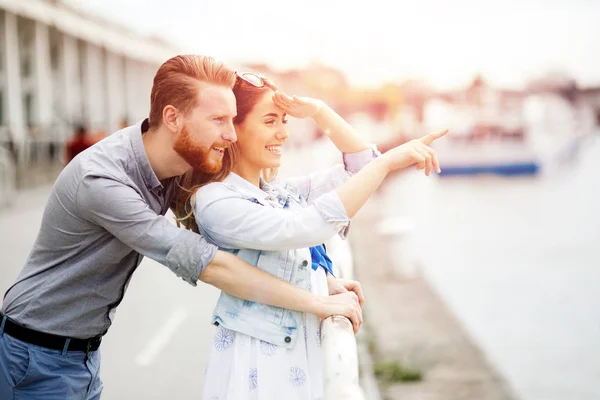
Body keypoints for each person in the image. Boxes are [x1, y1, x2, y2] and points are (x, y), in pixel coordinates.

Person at [0, 55, 362, 400]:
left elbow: (246, 235)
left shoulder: (176, 162)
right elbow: (211, 264)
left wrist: (322, 280)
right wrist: (316, 303)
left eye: (232, 119)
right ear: (172, 117)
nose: (231, 135)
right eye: (218, 120)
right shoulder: (103, 180)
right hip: (35, 354)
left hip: (80, 354)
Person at [174, 72, 448, 398]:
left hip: (295, 356)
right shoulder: (216, 201)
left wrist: (319, 110)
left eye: (285, 120)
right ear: (235, 128)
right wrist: (387, 163)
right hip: (258, 365)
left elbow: (360, 167)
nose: (283, 133)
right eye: (270, 121)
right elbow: (302, 228)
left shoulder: (277, 193)